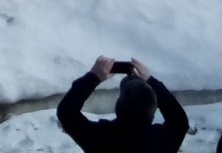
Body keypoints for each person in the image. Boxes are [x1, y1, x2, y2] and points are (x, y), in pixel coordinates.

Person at [57, 55, 189, 153]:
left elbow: (66, 112)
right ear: (153, 111)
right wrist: (151, 81)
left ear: (118, 107)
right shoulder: (162, 142)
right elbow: (179, 121)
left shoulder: (100, 138)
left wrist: (94, 76)